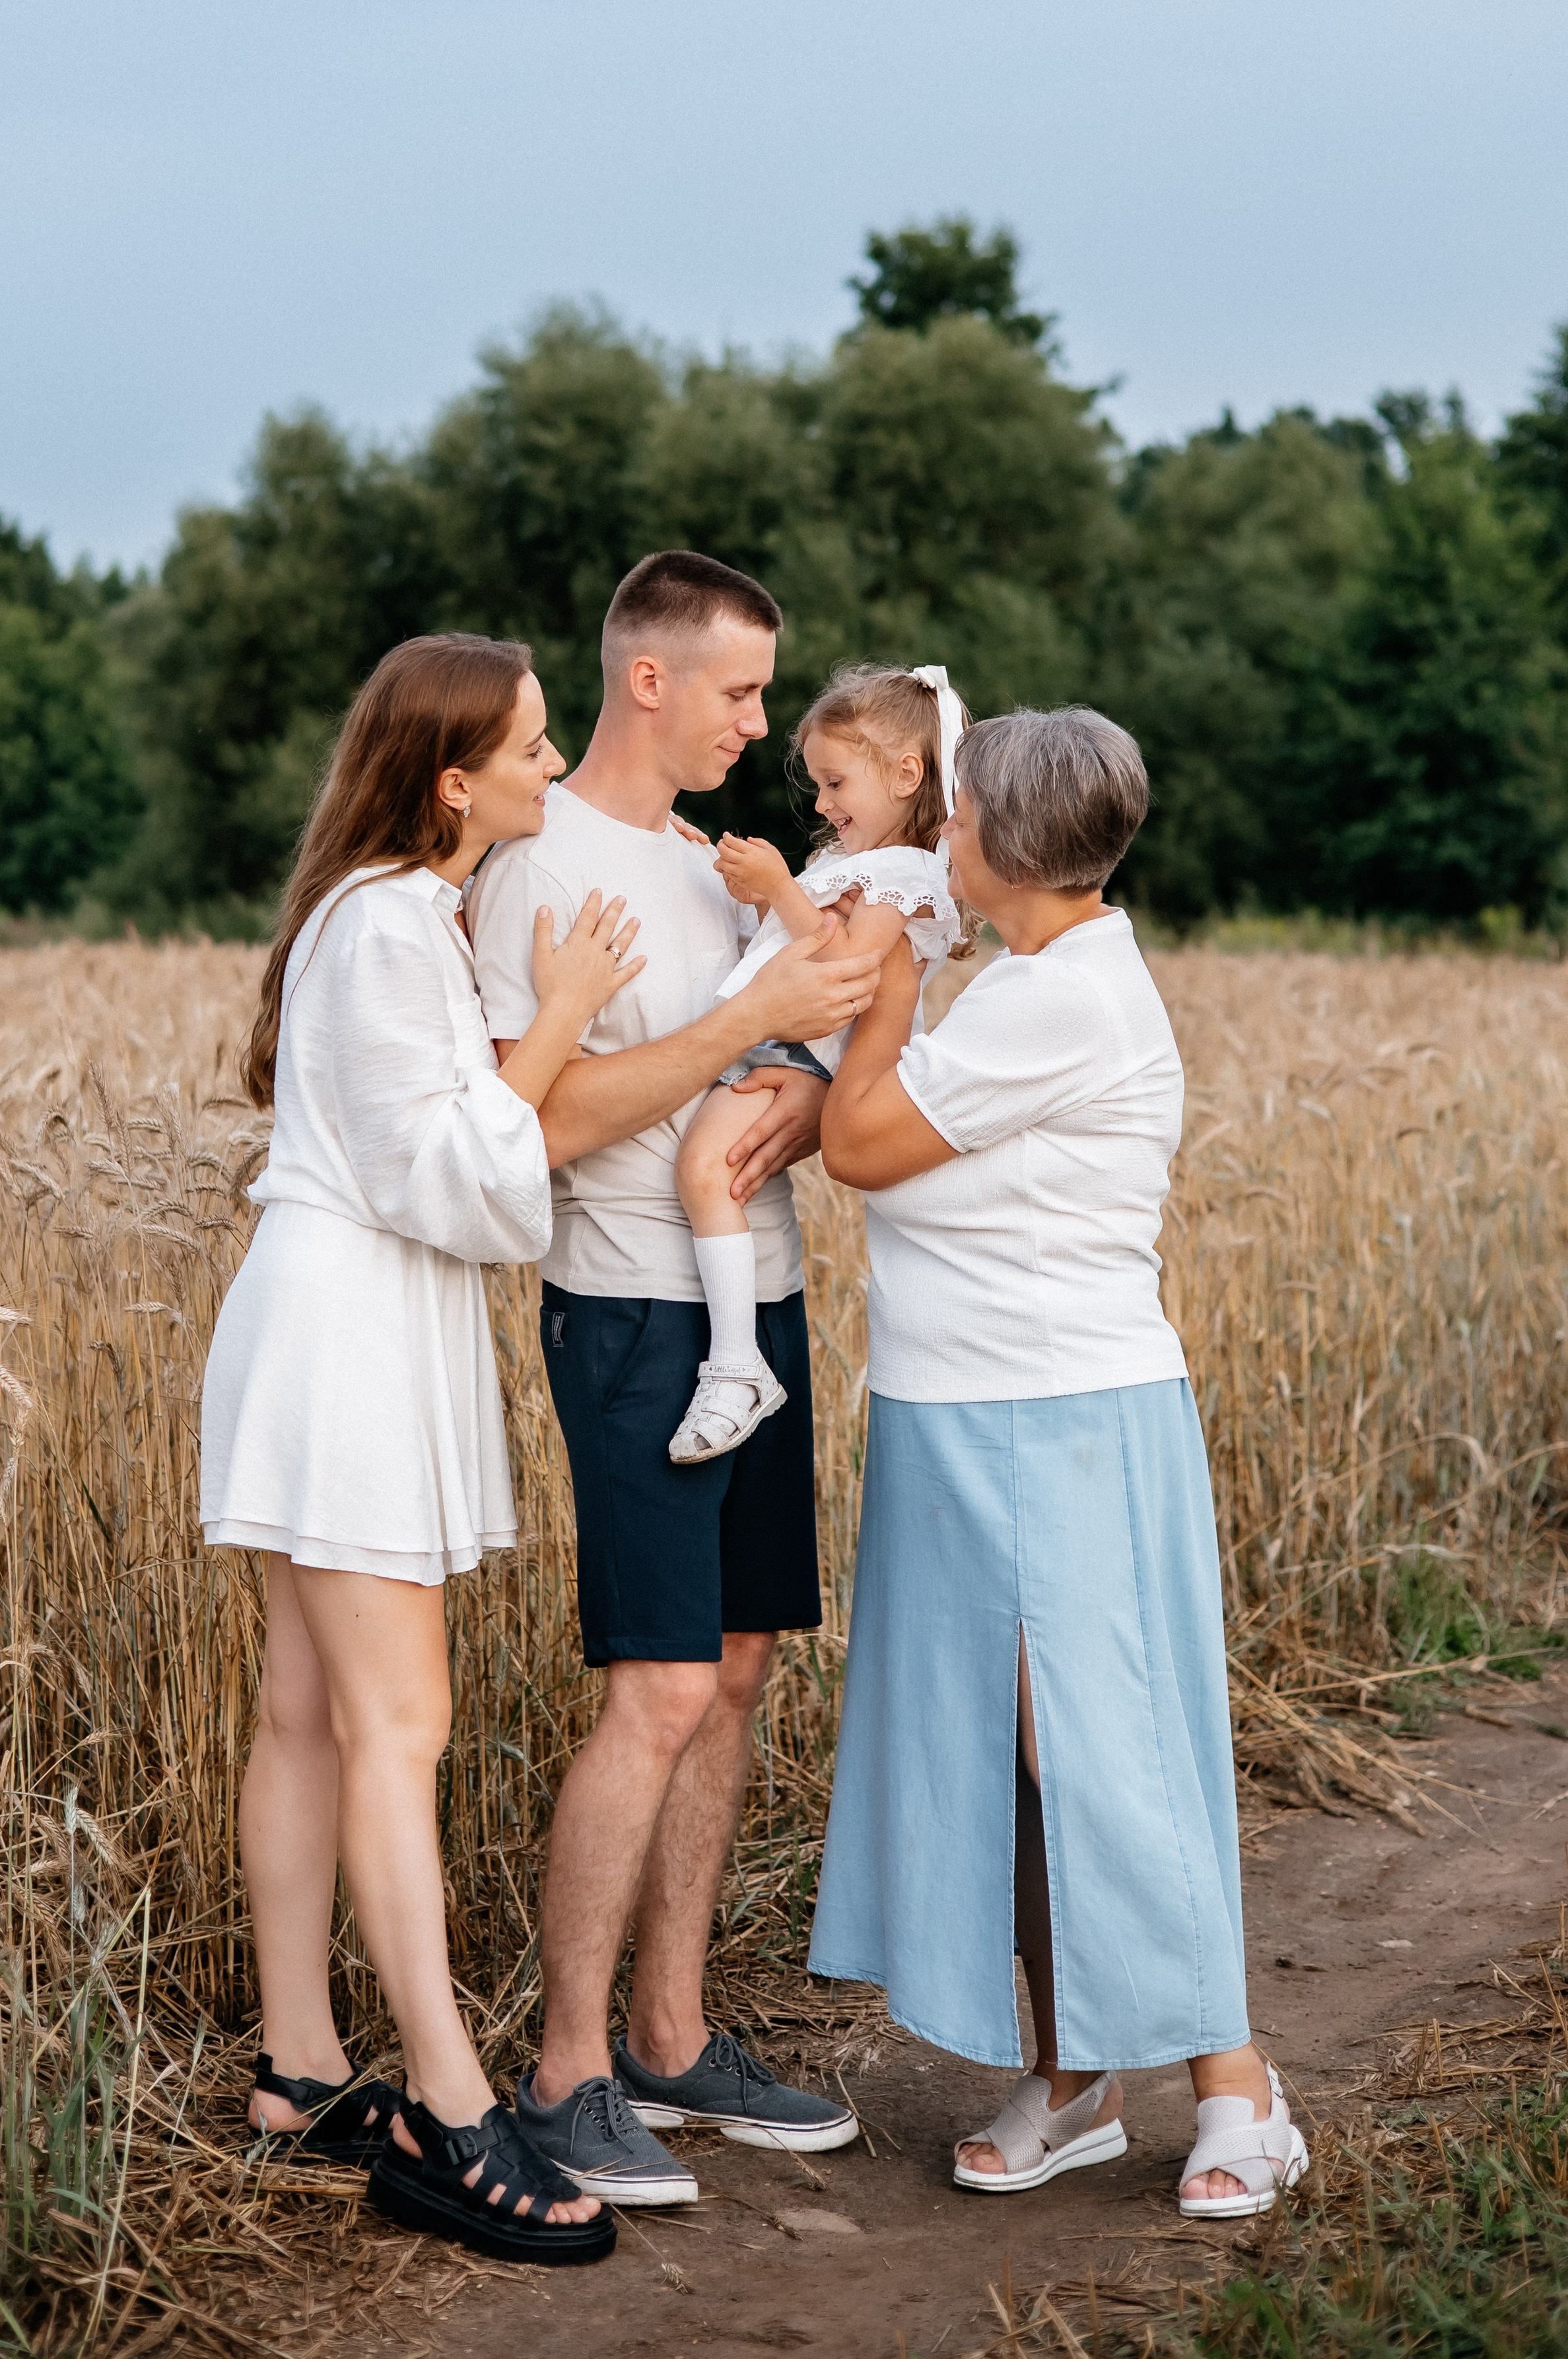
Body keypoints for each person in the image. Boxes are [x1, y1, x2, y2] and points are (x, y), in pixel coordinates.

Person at [808, 705, 1309, 2219]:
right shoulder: (1029, 979)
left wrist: (891, 973)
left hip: (1060, 1415)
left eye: (955, 815)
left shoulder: (1061, 998)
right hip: (960, 1409)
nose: (939, 835)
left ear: (1005, 845)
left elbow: (859, 1142)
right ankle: (1076, 2077)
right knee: (1013, 1764)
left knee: (1099, 1749)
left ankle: (1238, 2087)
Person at [199, 634, 644, 2268]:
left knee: (309, 1710)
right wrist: (568, 1014)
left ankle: (301, 2071)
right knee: (400, 1722)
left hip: (337, 1327)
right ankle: (449, 2112)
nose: (552, 766)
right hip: (347, 1344)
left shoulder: (389, 913)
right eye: (530, 747)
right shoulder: (389, 924)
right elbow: (449, 1172)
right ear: (452, 782)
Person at [469, 551, 879, 2207]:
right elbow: (541, 1123)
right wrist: (751, 1016)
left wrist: (806, 1088)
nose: (760, 724)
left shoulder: (718, 866)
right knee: (653, 1687)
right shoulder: (535, 862)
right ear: (647, 678)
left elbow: (788, 1068)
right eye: (738, 690)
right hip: (634, 1314)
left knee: (735, 1671)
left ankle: (667, 2032)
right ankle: (564, 2073)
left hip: (759, 1303)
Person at [667, 663, 969, 1464]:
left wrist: (778, 888)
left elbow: (841, 967)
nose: (825, 803)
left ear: (906, 775)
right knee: (709, 1171)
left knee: (704, 1170)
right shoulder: (854, 859)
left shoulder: (909, 876)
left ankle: (736, 1365)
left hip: (803, 1046)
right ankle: (736, 1360)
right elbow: (788, 936)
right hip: (782, 1036)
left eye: (837, 783)